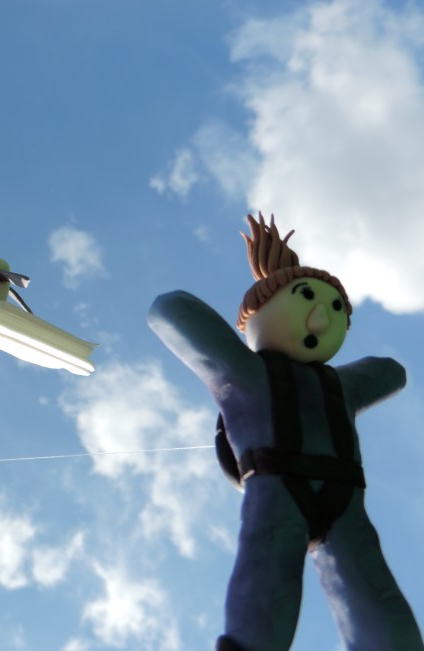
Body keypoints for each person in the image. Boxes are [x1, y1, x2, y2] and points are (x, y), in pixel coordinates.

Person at [147, 214, 422, 651]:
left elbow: (391, 372)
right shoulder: (247, 372)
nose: (321, 318)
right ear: (259, 311)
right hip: (278, 488)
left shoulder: (340, 386)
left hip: (343, 502)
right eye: (308, 298)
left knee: (374, 595)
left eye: (337, 310)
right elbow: (170, 309)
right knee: (267, 581)